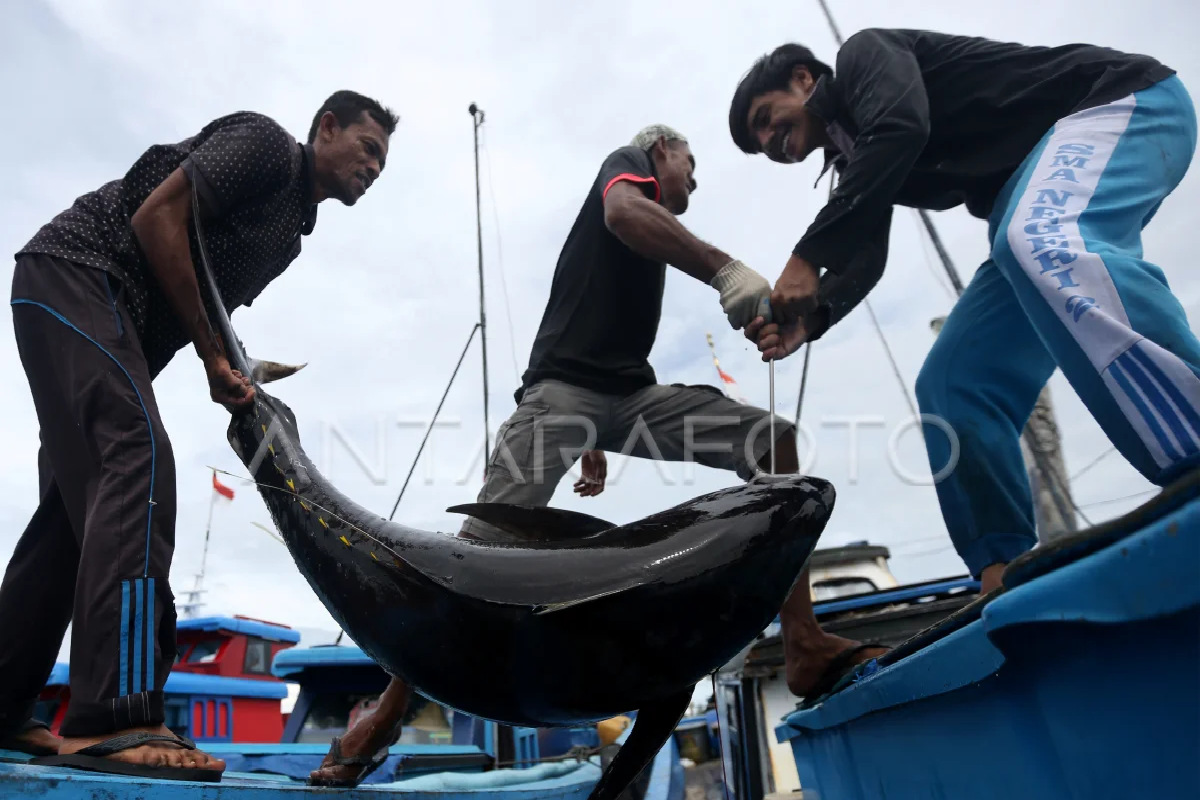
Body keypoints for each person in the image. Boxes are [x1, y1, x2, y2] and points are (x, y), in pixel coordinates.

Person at [309, 124, 883, 786]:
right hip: (559, 395)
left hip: (629, 397)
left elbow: (607, 321)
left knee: (774, 441)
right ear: (660, 151)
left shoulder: (657, 226)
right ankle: (382, 717)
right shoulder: (629, 171)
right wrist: (725, 272)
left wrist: (598, 439)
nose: (693, 180)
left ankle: (803, 644)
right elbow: (621, 213)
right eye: (689, 164)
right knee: (474, 557)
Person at [0, 90, 398, 781]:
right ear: (326, 128)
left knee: (71, 519)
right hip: (80, 274)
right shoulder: (268, 146)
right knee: (137, 460)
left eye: (383, 163)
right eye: (368, 148)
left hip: (101, 315)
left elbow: (202, 305)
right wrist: (215, 357)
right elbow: (159, 217)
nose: (374, 168)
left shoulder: (290, 236)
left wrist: (230, 361)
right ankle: (117, 718)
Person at [728, 30, 1200, 596]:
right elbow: (866, 260)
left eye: (766, 117)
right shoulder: (856, 155)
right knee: (953, 381)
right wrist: (815, 317)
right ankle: (1005, 571)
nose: (770, 141)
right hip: (1021, 209)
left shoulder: (863, 59)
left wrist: (806, 258)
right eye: (761, 145)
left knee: (1041, 240)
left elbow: (901, 127)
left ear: (804, 79)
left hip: (1120, 104)